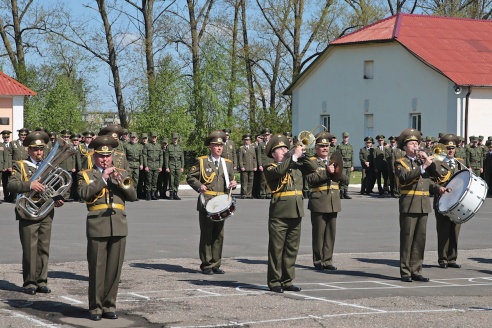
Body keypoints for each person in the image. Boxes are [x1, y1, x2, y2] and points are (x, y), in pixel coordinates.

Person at [77, 135, 137, 321]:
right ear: (94, 156)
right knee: (97, 268)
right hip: (97, 224)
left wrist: (120, 182)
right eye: (101, 156)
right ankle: (95, 308)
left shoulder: (122, 173)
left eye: (108, 156)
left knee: (114, 269)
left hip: (119, 224)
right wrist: (102, 179)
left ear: (112, 156)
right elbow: (83, 194)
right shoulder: (85, 175)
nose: (105, 159)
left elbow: (133, 196)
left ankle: (109, 305)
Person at [7, 131, 65, 295]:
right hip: (28, 211)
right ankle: (30, 282)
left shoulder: (49, 166)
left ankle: (42, 281)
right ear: (28, 150)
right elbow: (11, 184)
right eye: (35, 149)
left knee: (43, 248)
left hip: (46, 211)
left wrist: (58, 199)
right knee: (30, 248)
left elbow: (55, 186)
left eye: (41, 149)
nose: (39, 152)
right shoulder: (21, 165)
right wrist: (30, 185)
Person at [263, 134, 317, 293]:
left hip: (296, 211)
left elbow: (313, 169)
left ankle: (287, 280)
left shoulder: (296, 165)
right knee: (276, 249)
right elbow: (280, 171)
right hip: (279, 214)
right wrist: (292, 156)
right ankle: (274, 281)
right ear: (273, 154)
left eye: (286, 148)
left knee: (292, 249)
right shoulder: (270, 167)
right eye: (280, 149)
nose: (284, 150)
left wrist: (303, 154)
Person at [395, 128, 445, 282]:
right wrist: (422, 167)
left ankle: (416, 270)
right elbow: (405, 178)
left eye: (416, 143)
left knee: (420, 240)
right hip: (409, 204)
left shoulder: (421, 162)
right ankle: (405, 271)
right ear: (405, 147)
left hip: (423, 204)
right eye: (412, 143)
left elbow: (433, 178)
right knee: (407, 238)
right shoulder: (400, 162)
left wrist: (438, 188)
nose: (415, 146)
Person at [187, 130, 237, 275]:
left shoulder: (227, 163)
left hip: (222, 203)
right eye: (216, 145)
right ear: (210, 147)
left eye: (221, 146)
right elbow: (191, 177)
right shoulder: (202, 161)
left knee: (218, 235)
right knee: (207, 233)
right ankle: (206, 264)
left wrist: (234, 183)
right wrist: (199, 186)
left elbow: (232, 180)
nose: (219, 148)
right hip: (207, 202)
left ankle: (216, 263)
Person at [306, 132, 340, 271]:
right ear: (316, 148)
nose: (325, 148)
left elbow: (342, 178)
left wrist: (338, 172)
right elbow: (310, 179)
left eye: (327, 146)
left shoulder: (334, 160)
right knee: (319, 233)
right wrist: (327, 172)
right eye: (321, 146)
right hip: (319, 200)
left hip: (333, 200)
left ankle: (328, 260)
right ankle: (318, 260)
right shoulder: (312, 161)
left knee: (331, 233)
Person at [434, 134, 465, 269]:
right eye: (448, 148)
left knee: (455, 230)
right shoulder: (437, 163)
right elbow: (433, 181)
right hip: (442, 202)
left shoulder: (460, 163)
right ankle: (443, 259)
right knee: (443, 230)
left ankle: (452, 258)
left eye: (452, 148)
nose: (450, 150)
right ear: (443, 149)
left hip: (457, 203)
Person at [143, 131, 162, 200]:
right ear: (150, 137)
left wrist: (160, 166)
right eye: (153, 137)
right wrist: (146, 166)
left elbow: (161, 157)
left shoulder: (159, 146)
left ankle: (153, 194)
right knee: (148, 180)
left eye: (155, 137)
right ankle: (148, 194)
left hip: (156, 165)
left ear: (156, 138)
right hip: (149, 164)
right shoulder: (147, 145)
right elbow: (144, 156)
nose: (154, 138)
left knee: (155, 181)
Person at [165, 133, 185, 200]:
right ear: (172, 139)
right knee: (171, 180)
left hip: (178, 165)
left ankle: (175, 193)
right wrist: (167, 167)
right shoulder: (169, 147)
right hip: (171, 164)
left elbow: (182, 158)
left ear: (178, 139)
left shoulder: (180, 147)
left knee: (177, 179)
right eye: (174, 138)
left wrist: (182, 167)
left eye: (176, 138)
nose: (175, 140)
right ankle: (171, 194)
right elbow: (166, 158)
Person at [124, 132, 143, 196]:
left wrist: (141, 164)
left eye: (134, 137)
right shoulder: (127, 145)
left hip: (137, 164)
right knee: (129, 179)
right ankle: (129, 194)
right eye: (132, 137)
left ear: (136, 138)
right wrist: (125, 165)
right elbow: (125, 156)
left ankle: (134, 194)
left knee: (136, 180)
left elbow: (141, 156)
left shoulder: (139, 146)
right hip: (129, 164)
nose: (133, 138)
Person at [238, 133, 257, 199]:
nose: (247, 141)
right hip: (245, 167)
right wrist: (241, 166)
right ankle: (244, 194)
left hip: (251, 167)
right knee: (244, 181)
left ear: (250, 141)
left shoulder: (252, 148)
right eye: (246, 140)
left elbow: (254, 158)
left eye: (248, 140)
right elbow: (240, 158)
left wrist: (255, 166)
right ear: (244, 141)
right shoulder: (242, 148)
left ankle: (249, 194)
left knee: (250, 181)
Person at [336, 132, 354, 199]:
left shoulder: (350, 146)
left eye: (346, 137)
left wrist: (352, 165)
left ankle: (346, 193)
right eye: (344, 137)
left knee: (347, 179)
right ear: (342, 138)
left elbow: (352, 156)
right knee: (342, 179)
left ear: (348, 138)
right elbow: (338, 156)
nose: (345, 138)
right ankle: (341, 193)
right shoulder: (340, 146)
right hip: (342, 164)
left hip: (349, 165)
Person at [257, 128, 273, 199]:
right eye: (265, 135)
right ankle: (262, 193)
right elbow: (259, 155)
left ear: (270, 135)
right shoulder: (261, 144)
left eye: (268, 135)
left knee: (270, 178)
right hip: (264, 164)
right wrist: (260, 165)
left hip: (271, 163)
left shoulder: (272, 143)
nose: (266, 137)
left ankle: (269, 193)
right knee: (263, 180)